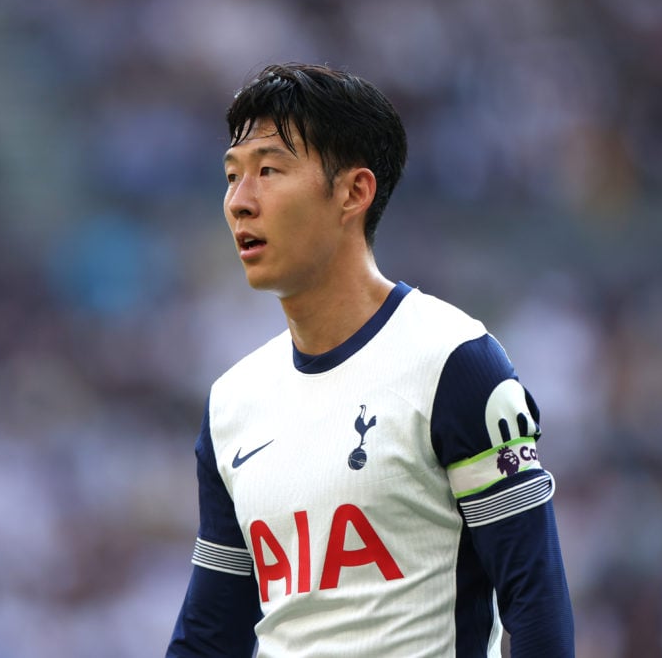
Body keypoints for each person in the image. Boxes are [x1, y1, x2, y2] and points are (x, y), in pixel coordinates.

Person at [166, 63, 574, 657]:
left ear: (354, 192)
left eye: (269, 171)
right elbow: (210, 635)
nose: (240, 203)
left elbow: (536, 605)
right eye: (232, 176)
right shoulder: (232, 403)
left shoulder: (456, 363)